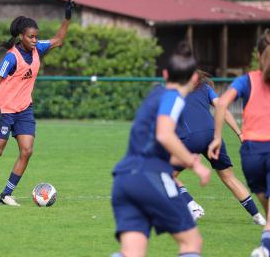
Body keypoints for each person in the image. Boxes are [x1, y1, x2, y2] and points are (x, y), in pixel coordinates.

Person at [0, 0, 76, 206]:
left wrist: (67, 18)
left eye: (36, 36)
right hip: (6, 110)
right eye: (31, 37)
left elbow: (59, 40)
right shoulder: (11, 57)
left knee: (27, 150)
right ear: (21, 37)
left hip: (25, 109)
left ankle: (6, 194)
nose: (35, 40)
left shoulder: (38, 49)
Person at [111, 44, 211, 257]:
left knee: (132, 252)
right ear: (195, 79)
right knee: (191, 242)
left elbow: (152, 142)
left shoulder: (154, 95)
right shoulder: (173, 98)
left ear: (165, 74)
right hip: (151, 177)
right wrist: (195, 164)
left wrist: (180, 157)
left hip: (123, 180)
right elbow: (164, 135)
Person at [173, 69, 265, 225]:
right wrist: (239, 133)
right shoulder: (205, 87)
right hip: (213, 136)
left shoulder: (175, 90)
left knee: (166, 175)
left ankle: (192, 206)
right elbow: (223, 108)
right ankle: (258, 217)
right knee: (229, 178)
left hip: (191, 138)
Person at [208, 30, 270, 256]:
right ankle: (265, 248)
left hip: (251, 152)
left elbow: (222, 103)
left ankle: (266, 246)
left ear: (257, 54)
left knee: (267, 204)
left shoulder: (246, 80)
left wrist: (216, 137)